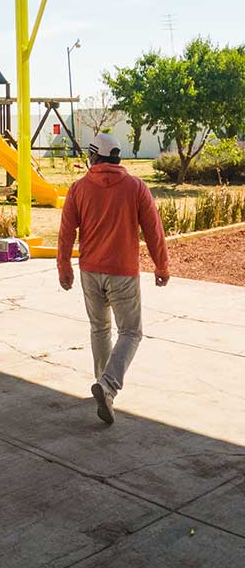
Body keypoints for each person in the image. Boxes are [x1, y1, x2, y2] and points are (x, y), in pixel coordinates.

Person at [57, 132, 169, 425]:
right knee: (131, 332)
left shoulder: (79, 189)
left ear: (94, 156)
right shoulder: (136, 187)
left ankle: (101, 383)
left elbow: (66, 232)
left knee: (99, 328)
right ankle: (107, 386)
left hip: (90, 272)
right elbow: (154, 230)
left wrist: (63, 268)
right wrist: (162, 266)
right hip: (123, 272)